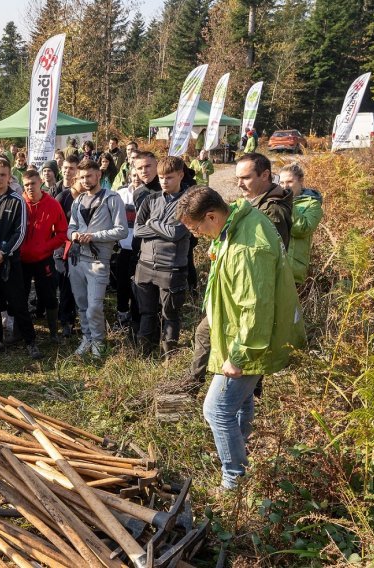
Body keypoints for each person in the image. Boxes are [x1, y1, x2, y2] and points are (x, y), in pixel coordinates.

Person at [176, 186, 304, 491]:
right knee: (241, 401)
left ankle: (234, 479)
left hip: (250, 341)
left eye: (196, 228)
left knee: (216, 409)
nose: (197, 235)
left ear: (211, 215)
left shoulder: (247, 246)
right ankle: (238, 448)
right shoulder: (239, 223)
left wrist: (240, 355)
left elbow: (256, 306)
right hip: (242, 334)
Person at [0, 156, 41, 359]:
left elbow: (20, 232)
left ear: (9, 177)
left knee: (18, 303)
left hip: (9, 263)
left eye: (2, 175)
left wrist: (2, 253)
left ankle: (31, 341)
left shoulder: (18, 201)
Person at [67, 159, 128, 358]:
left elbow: (122, 230)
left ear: (98, 175)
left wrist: (94, 237)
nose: (85, 180)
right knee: (82, 304)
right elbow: (70, 228)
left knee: (95, 306)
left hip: (98, 260)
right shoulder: (77, 201)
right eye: (82, 177)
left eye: (89, 176)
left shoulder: (112, 198)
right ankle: (87, 338)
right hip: (76, 259)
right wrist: (74, 235)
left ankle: (99, 342)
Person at [132, 156, 191, 358]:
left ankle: (169, 357)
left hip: (172, 268)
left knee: (170, 315)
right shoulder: (151, 199)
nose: (164, 181)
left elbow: (177, 234)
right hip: (145, 265)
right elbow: (137, 230)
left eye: (169, 177)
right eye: (161, 177)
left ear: (181, 175)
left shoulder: (189, 203)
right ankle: (144, 354)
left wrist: (152, 223)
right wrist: (161, 228)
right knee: (147, 313)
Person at [20, 169, 68, 341]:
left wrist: (45, 247)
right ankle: (19, 332)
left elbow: (63, 233)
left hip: (43, 259)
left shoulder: (53, 204)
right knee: (19, 296)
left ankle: (54, 332)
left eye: (33, 183)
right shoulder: (19, 203)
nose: (30, 188)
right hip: (21, 260)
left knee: (48, 295)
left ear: (40, 182)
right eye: (26, 185)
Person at [236, 153, 292, 249]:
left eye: (245, 178)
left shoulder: (271, 210)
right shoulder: (255, 201)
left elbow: (268, 254)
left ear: (265, 175)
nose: (239, 184)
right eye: (238, 178)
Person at [279, 163, 323, 285]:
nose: (285, 187)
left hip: (293, 268)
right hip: (273, 264)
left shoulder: (312, 204)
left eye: (289, 182)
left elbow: (303, 229)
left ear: (301, 181)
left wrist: (287, 204)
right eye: (281, 183)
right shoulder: (276, 201)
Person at [113, 169, 142, 330]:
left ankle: (136, 318)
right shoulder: (121, 194)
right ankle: (122, 315)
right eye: (134, 174)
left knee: (137, 287)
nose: (136, 178)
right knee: (122, 284)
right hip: (123, 247)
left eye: (139, 175)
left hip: (141, 250)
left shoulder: (150, 194)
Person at [55, 179, 83, 338]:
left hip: (82, 247)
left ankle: (77, 317)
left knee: (78, 285)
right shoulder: (62, 198)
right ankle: (65, 321)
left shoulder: (88, 197)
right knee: (66, 283)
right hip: (63, 248)